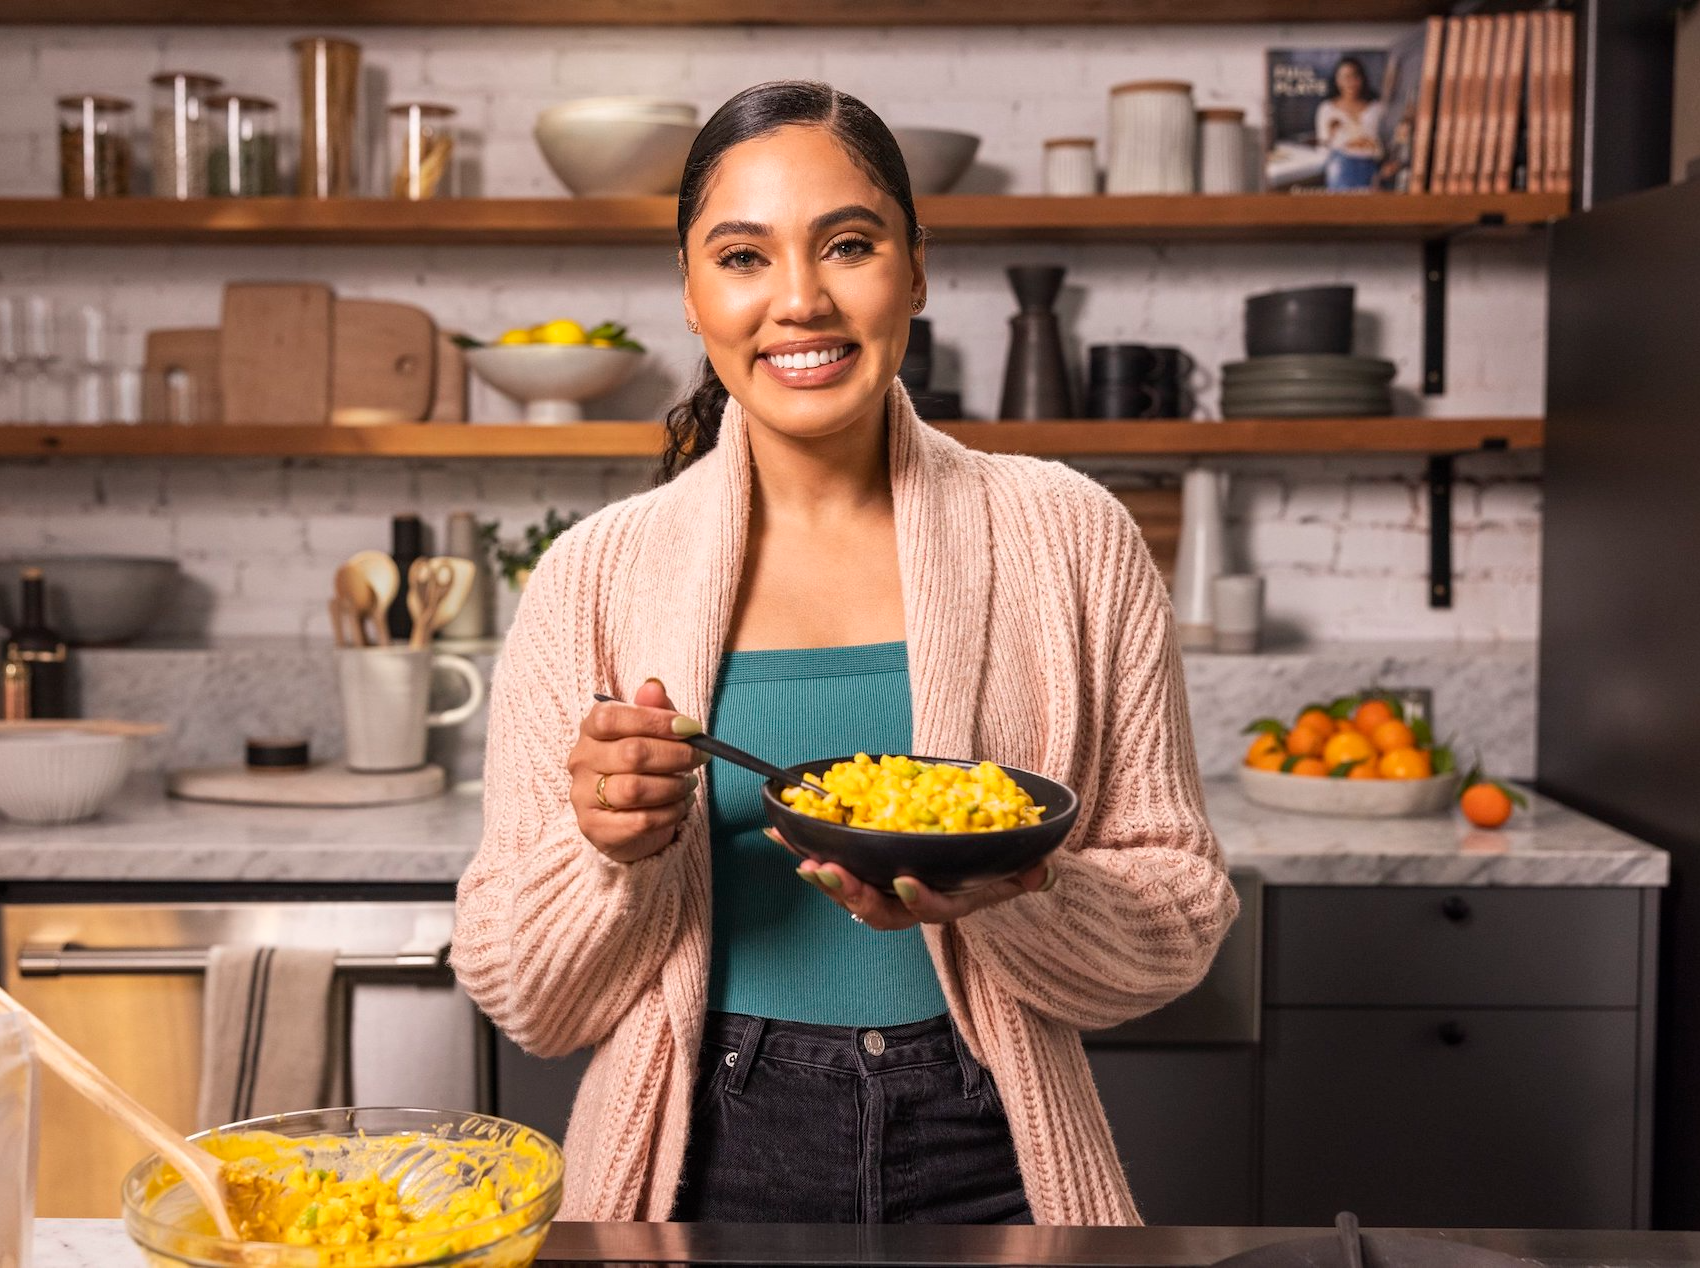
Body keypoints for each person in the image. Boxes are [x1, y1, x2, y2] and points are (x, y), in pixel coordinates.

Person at [453, 79, 1240, 1226]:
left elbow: (1178, 921)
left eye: (849, 244)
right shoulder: (594, 576)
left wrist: (1014, 889)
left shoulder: (1070, 536)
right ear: (688, 289)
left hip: (998, 1151)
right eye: (742, 257)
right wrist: (606, 855)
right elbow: (526, 998)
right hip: (697, 1157)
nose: (800, 301)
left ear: (915, 268)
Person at [1317, 56, 1386, 190]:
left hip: (1371, 167)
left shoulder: (1376, 108)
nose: (1350, 82)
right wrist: (1331, 134)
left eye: (1355, 76)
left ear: (1362, 78)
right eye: (1345, 77)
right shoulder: (1327, 109)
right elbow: (1322, 147)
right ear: (1337, 80)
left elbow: (1383, 142)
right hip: (1340, 167)